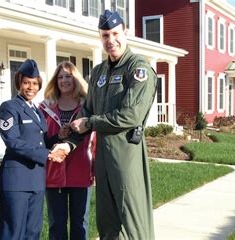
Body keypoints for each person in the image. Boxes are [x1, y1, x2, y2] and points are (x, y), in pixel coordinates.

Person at [52, 10, 157, 239]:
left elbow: (130, 116)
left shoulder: (138, 70)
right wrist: (68, 144)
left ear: (125, 33)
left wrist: (91, 122)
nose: (111, 41)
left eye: (115, 34)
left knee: (132, 220)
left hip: (126, 155)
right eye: (105, 35)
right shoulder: (99, 72)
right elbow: (86, 112)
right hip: (102, 158)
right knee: (106, 221)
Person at [0, 59, 65, 240]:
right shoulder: (9, 107)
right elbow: (13, 141)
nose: (30, 87)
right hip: (16, 180)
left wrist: (59, 136)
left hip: (36, 178)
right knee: (13, 232)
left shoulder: (37, 110)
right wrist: (48, 154)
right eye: (26, 82)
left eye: (35, 83)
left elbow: (41, 141)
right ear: (19, 82)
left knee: (32, 232)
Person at [40, 61, 96, 240]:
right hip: (54, 172)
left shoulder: (87, 107)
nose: (64, 80)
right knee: (56, 223)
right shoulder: (45, 107)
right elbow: (41, 138)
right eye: (60, 77)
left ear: (76, 79)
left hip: (81, 170)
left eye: (68, 76)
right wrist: (58, 136)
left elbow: (94, 139)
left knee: (80, 223)